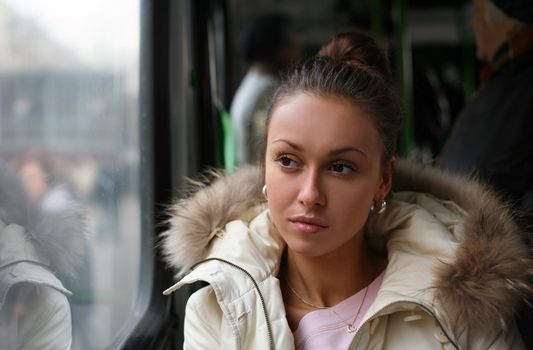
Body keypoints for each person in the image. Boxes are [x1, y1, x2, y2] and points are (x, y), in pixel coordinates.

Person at [161, 31, 530, 349]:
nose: (310, 193)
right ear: (264, 166)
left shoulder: (460, 306)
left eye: (341, 167)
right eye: (288, 161)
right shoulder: (219, 307)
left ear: (383, 180)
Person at [438, 0, 533, 227]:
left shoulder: (521, 84)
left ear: (508, 24)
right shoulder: (507, 79)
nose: (473, 21)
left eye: (478, 11)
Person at [0, 162, 86, 349]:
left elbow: (83, 277)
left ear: (46, 180)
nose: (27, 183)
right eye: (23, 178)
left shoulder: (60, 233)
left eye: (32, 177)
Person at [230, 13, 301, 165]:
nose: (297, 51)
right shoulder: (267, 91)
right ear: (277, 48)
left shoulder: (253, 83)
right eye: (291, 44)